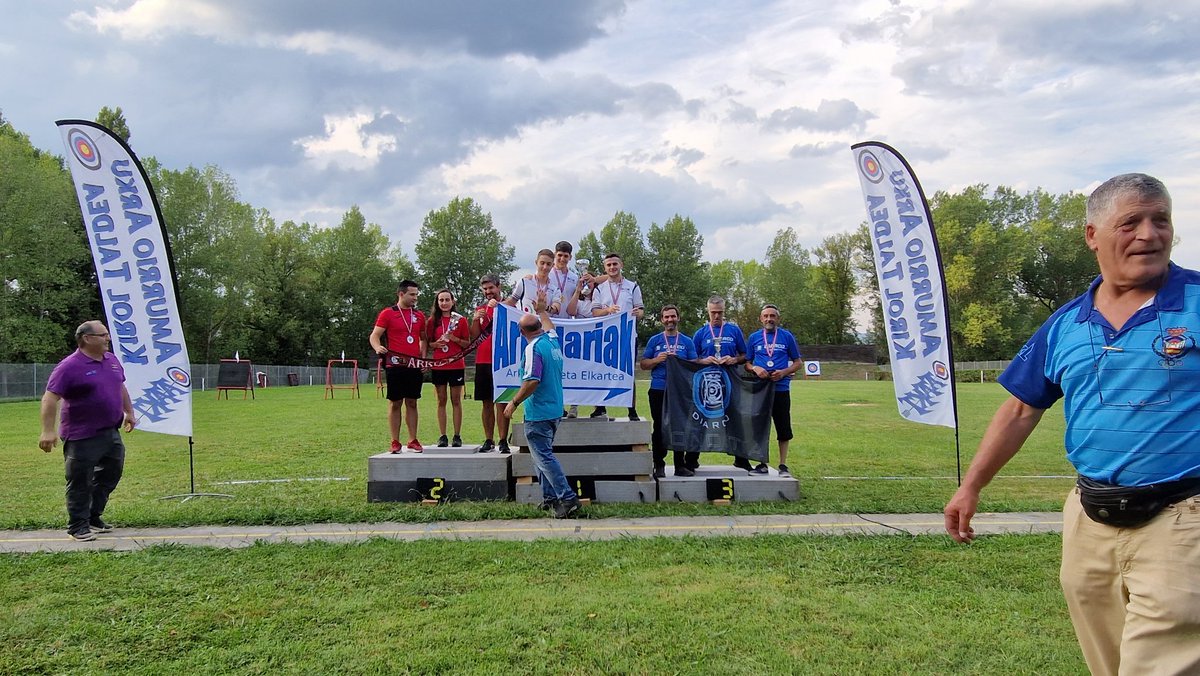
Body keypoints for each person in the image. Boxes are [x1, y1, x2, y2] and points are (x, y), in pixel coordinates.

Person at [943, 173, 1200, 675]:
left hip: (1183, 518)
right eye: (1131, 222)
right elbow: (1020, 409)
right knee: (1108, 665)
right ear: (1092, 236)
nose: (1149, 234)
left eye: (1161, 220)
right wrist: (970, 487)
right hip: (1089, 521)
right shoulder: (1067, 323)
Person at [38, 321, 137, 541]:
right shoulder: (69, 366)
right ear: (87, 338)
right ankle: (77, 526)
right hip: (81, 434)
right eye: (103, 335)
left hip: (110, 431)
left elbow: (120, 386)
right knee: (80, 481)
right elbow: (50, 398)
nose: (108, 338)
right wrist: (47, 431)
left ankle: (93, 516)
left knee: (111, 474)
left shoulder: (111, 360)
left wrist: (129, 412)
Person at [503, 291, 582, 518]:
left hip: (538, 412)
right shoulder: (551, 340)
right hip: (555, 409)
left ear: (521, 333)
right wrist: (541, 310)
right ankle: (550, 498)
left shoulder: (533, 348)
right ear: (539, 326)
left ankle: (568, 498)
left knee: (544, 457)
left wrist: (514, 402)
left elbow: (532, 381)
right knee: (539, 457)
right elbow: (550, 326)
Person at [692, 295, 751, 471]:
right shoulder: (700, 333)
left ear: (724, 311)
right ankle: (692, 459)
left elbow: (745, 355)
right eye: (713, 313)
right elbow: (692, 359)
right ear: (708, 311)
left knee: (735, 419)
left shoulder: (734, 330)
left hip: (730, 382)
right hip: (706, 383)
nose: (716, 316)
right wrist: (703, 360)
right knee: (700, 420)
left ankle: (741, 459)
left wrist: (734, 359)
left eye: (720, 312)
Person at [640, 304, 698, 477]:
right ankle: (659, 464)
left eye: (673, 316)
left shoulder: (687, 341)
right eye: (666, 317)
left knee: (680, 426)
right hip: (659, 389)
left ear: (678, 318)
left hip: (680, 391)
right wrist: (657, 360)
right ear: (662, 320)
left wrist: (680, 361)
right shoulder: (655, 340)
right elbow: (643, 364)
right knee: (659, 427)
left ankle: (680, 465)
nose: (670, 320)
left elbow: (694, 365)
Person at [370, 280, 427, 452]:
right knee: (395, 402)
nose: (415, 298)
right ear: (401, 294)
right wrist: (377, 347)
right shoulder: (388, 313)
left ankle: (413, 440)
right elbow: (374, 335)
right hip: (394, 365)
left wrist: (423, 358)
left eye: (416, 294)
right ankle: (395, 441)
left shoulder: (419, 315)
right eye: (412, 294)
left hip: (413, 365)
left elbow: (423, 339)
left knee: (412, 402)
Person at [745, 304, 802, 476]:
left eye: (772, 316)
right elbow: (747, 363)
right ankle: (762, 463)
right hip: (760, 389)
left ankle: (783, 465)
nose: (769, 319)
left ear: (778, 318)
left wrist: (784, 372)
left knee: (783, 426)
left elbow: (798, 362)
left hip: (781, 388)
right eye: (766, 316)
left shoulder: (787, 336)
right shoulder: (754, 337)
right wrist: (755, 368)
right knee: (760, 427)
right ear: (760, 319)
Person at [590, 252, 644, 421]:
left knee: (628, 374)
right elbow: (594, 312)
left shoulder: (632, 286)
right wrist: (608, 310)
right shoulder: (600, 288)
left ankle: (632, 411)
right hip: (605, 337)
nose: (612, 267)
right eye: (609, 265)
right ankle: (600, 408)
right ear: (605, 268)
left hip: (627, 337)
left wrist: (637, 313)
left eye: (615, 264)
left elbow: (641, 311)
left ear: (621, 265)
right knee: (601, 371)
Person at [470, 274, 511, 453]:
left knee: (502, 401)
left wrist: (499, 309)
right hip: (483, 360)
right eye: (485, 289)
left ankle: (503, 440)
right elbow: (474, 337)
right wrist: (475, 319)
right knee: (486, 402)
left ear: (499, 287)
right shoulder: (480, 309)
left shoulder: (509, 306)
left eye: (491, 288)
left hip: (503, 361)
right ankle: (489, 439)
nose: (488, 292)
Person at [426, 289, 470, 448]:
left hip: (456, 365)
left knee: (456, 400)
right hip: (439, 365)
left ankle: (457, 436)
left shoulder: (461, 320)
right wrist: (435, 344)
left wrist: (454, 338)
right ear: (437, 303)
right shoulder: (432, 321)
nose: (444, 303)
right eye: (441, 300)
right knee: (441, 400)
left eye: (447, 300)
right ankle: (442, 436)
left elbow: (467, 344)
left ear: (453, 301)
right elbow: (428, 343)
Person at [505, 249, 564, 316]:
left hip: (544, 322)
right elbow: (511, 302)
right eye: (542, 263)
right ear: (536, 262)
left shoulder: (555, 290)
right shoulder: (524, 282)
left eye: (548, 264)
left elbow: (556, 309)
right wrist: (497, 304)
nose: (545, 267)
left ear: (552, 265)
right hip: (526, 321)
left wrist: (545, 308)